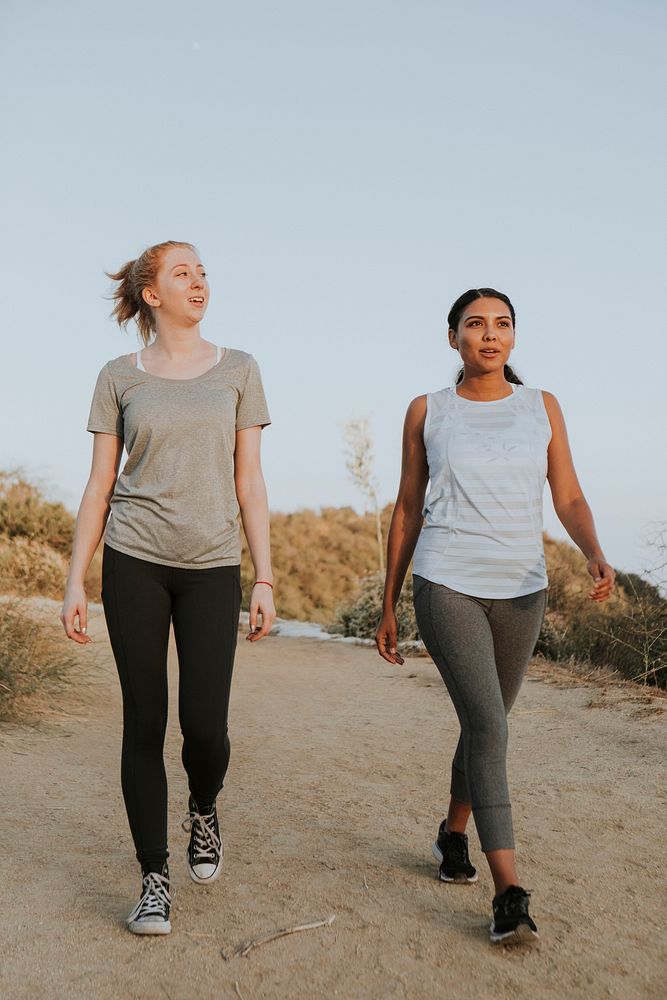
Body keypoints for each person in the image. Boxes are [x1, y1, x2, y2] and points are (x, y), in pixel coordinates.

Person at [375, 287, 615, 946]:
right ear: (452, 337)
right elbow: (406, 508)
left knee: (487, 725)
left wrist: (593, 550)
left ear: (513, 337)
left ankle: (453, 834)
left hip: (522, 590)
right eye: (474, 324)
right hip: (445, 580)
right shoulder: (428, 410)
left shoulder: (542, 407)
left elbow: (565, 492)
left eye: (501, 324)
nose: (489, 334)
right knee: (488, 724)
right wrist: (391, 603)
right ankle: (508, 889)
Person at [59, 239, 275, 935]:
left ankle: (203, 808)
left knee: (204, 728)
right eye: (183, 273)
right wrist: (75, 580)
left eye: (203, 272)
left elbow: (249, 480)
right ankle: (153, 879)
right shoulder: (118, 376)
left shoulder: (240, 369)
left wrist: (264, 576)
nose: (199, 281)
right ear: (152, 293)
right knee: (144, 721)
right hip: (135, 560)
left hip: (213, 564)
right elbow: (99, 483)